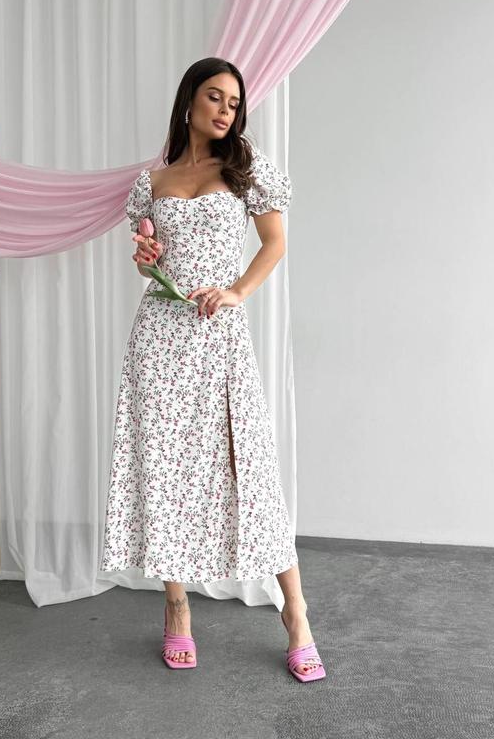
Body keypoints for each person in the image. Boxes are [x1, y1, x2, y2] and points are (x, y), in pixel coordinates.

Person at [99, 57, 325, 682]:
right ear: (189, 101)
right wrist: (147, 257)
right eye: (214, 97)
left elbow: (275, 244)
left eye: (234, 102)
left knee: (248, 466)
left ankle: (296, 614)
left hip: (218, 336)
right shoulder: (152, 182)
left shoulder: (247, 169)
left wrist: (236, 292)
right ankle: (176, 607)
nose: (226, 110)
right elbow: (150, 263)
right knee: (164, 466)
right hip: (159, 336)